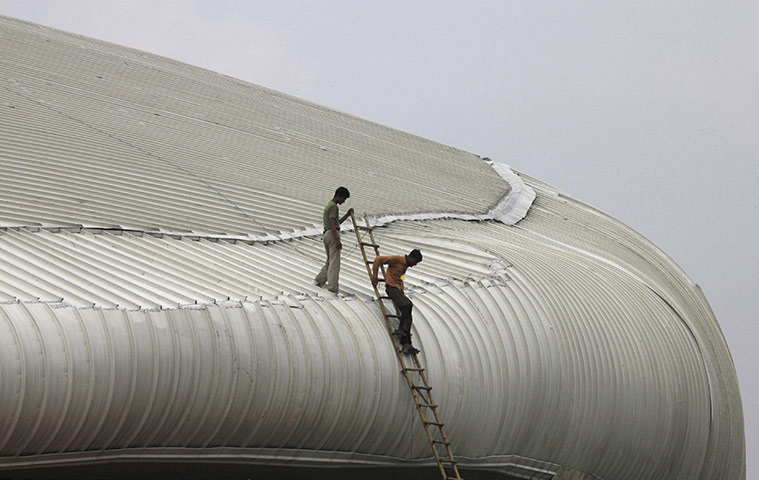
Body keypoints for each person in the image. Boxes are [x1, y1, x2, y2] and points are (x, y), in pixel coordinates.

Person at [372, 249, 423, 354]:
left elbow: (401, 277)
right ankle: (401, 330)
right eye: (415, 262)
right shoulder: (397, 259)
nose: (414, 265)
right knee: (408, 305)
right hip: (391, 288)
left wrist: (401, 284)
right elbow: (378, 259)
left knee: (408, 315)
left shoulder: (405, 266)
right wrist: (375, 276)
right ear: (411, 257)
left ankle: (406, 344)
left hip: (398, 290)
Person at [314, 187, 353, 293]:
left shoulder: (329, 205)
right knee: (335, 263)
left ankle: (319, 280)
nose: (344, 201)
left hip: (327, 234)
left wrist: (347, 215)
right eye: (343, 199)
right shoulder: (333, 207)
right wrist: (337, 239)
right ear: (339, 196)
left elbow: (336, 222)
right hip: (332, 234)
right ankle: (332, 287)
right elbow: (332, 223)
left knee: (329, 261)